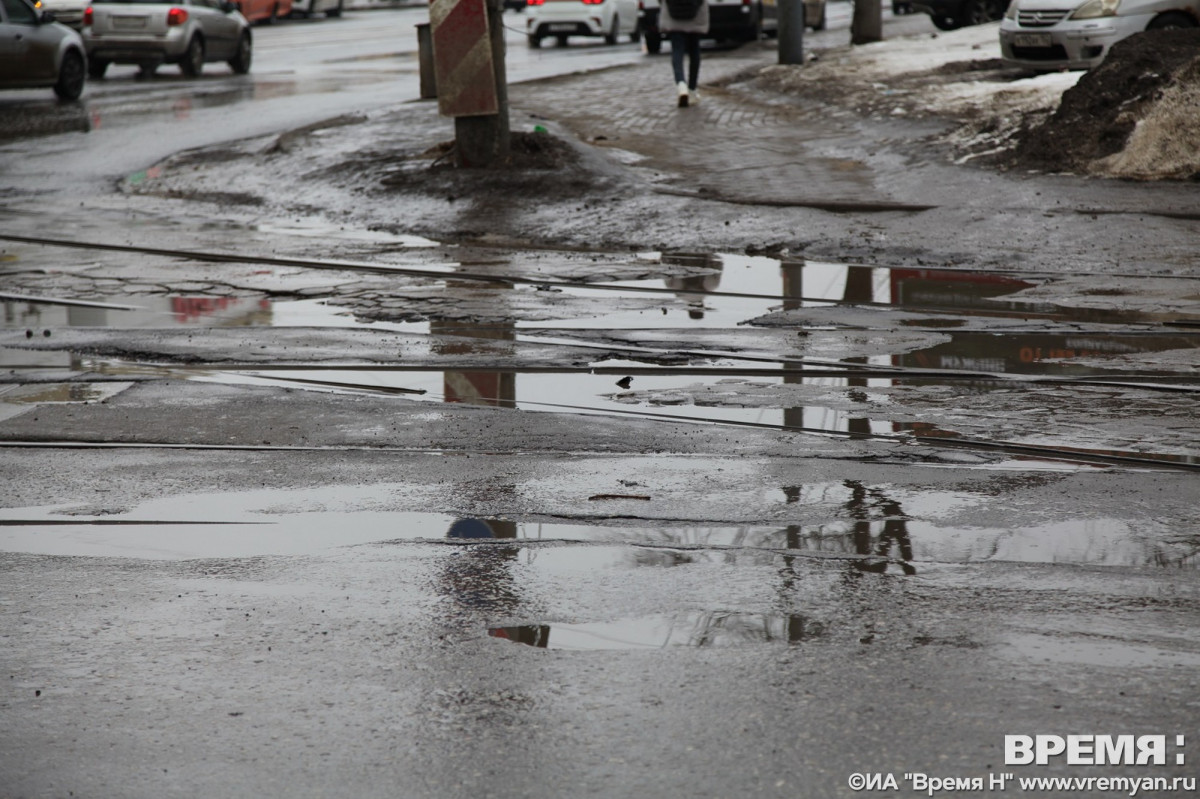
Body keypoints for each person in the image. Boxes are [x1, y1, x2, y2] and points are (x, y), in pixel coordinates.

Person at [659, 0, 709, 107]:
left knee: (677, 50)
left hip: (673, 16)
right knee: (694, 50)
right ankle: (692, 90)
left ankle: (681, 84)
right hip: (696, 14)